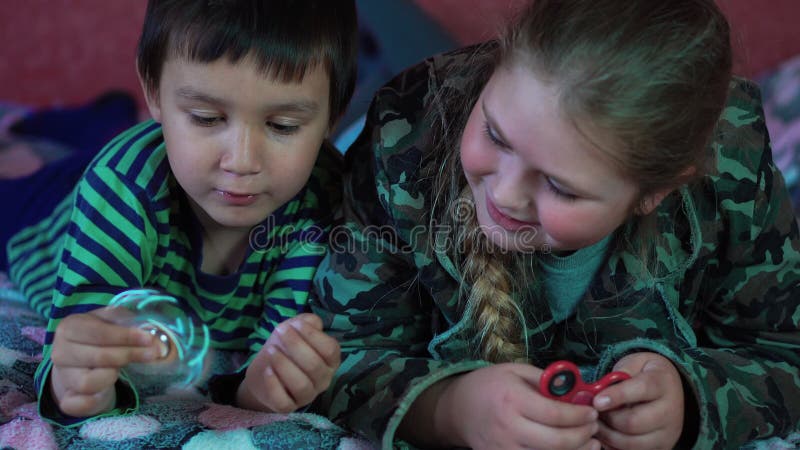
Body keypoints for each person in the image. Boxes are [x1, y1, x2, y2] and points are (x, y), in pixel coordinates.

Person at [308, 0, 800, 448]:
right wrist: (451, 410)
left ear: (657, 192)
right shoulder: (403, 137)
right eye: (495, 136)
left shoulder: (734, 174)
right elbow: (333, 356)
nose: (503, 194)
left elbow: (784, 353)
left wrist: (690, 402)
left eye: (561, 187)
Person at [1, 0, 358, 426]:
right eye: (207, 118)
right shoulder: (120, 188)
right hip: (48, 214)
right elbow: (78, 354)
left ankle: (103, 118)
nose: (242, 162)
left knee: (96, 140)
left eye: (283, 126)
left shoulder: (328, 204)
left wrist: (262, 388)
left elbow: (272, 359)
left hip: (154, 163)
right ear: (153, 91)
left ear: (332, 117)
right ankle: (96, 121)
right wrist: (77, 383)